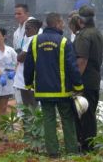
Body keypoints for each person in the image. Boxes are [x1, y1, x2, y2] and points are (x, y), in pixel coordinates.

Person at [24, 12, 84, 157]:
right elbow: (72, 67)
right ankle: (71, 151)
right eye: (62, 22)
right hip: (63, 91)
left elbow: (29, 65)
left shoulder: (35, 41)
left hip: (43, 91)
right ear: (56, 23)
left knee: (48, 121)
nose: (63, 25)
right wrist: (78, 86)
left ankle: (53, 152)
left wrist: (28, 84)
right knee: (67, 120)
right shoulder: (64, 42)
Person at [73, 6, 103, 152]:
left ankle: (85, 146)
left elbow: (81, 61)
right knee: (90, 113)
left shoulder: (84, 35)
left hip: (85, 81)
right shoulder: (97, 33)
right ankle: (90, 144)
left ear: (80, 20)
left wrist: (76, 82)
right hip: (94, 79)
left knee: (84, 114)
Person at [15, 17, 43, 110]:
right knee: (28, 105)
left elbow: (20, 58)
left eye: (28, 29)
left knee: (30, 104)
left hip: (27, 76)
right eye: (25, 28)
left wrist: (19, 54)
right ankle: (29, 123)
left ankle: (31, 123)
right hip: (25, 76)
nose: (25, 31)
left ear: (35, 29)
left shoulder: (33, 39)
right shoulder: (31, 39)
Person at [12, 4, 35, 106]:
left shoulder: (33, 26)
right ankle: (26, 120)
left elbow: (27, 51)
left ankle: (35, 120)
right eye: (15, 14)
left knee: (32, 96)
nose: (17, 16)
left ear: (27, 14)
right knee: (22, 96)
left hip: (32, 65)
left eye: (19, 14)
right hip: (21, 66)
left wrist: (19, 58)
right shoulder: (17, 31)